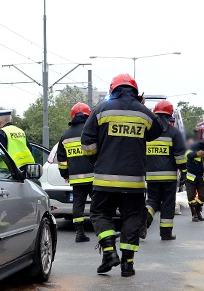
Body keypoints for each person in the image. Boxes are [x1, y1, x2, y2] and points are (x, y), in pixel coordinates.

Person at [81, 73, 164, 277]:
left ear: (112, 89)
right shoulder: (143, 112)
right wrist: (141, 107)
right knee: (132, 219)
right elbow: (157, 131)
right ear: (136, 92)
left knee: (100, 214)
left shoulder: (101, 109)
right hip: (134, 182)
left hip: (105, 179)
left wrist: (97, 159)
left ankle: (109, 253)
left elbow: (87, 142)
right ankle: (128, 265)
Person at [141, 100, 186, 241]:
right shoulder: (174, 133)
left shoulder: (147, 133)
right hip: (169, 178)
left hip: (151, 176)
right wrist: (183, 172)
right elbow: (180, 157)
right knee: (167, 203)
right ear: (169, 116)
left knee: (152, 201)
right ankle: (166, 234)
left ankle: (145, 220)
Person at [57, 102, 95, 243]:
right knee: (97, 205)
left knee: (78, 205)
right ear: (88, 115)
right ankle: (102, 232)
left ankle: (79, 233)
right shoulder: (91, 131)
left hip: (76, 179)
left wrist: (65, 174)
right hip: (93, 177)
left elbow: (61, 159)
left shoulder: (65, 135)